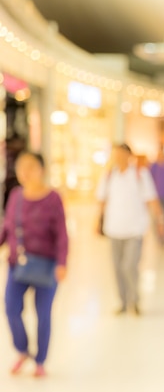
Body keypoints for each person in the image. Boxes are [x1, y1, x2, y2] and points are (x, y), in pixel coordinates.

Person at [2, 152, 68, 378]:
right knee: (11, 308)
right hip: (17, 264)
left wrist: (62, 262)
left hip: (46, 264)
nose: (25, 172)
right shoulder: (16, 195)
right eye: (21, 167)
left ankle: (40, 361)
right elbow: (8, 227)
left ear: (41, 169)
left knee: (43, 314)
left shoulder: (53, 198)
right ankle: (22, 350)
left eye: (30, 167)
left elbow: (61, 234)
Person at [96, 143, 164, 316]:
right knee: (117, 268)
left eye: (121, 154)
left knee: (129, 266)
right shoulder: (109, 175)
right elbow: (102, 200)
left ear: (129, 155)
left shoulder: (140, 174)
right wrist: (98, 221)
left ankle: (134, 300)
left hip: (135, 228)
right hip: (113, 229)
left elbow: (151, 199)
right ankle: (123, 301)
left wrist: (160, 219)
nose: (118, 158)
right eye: (115, 155)